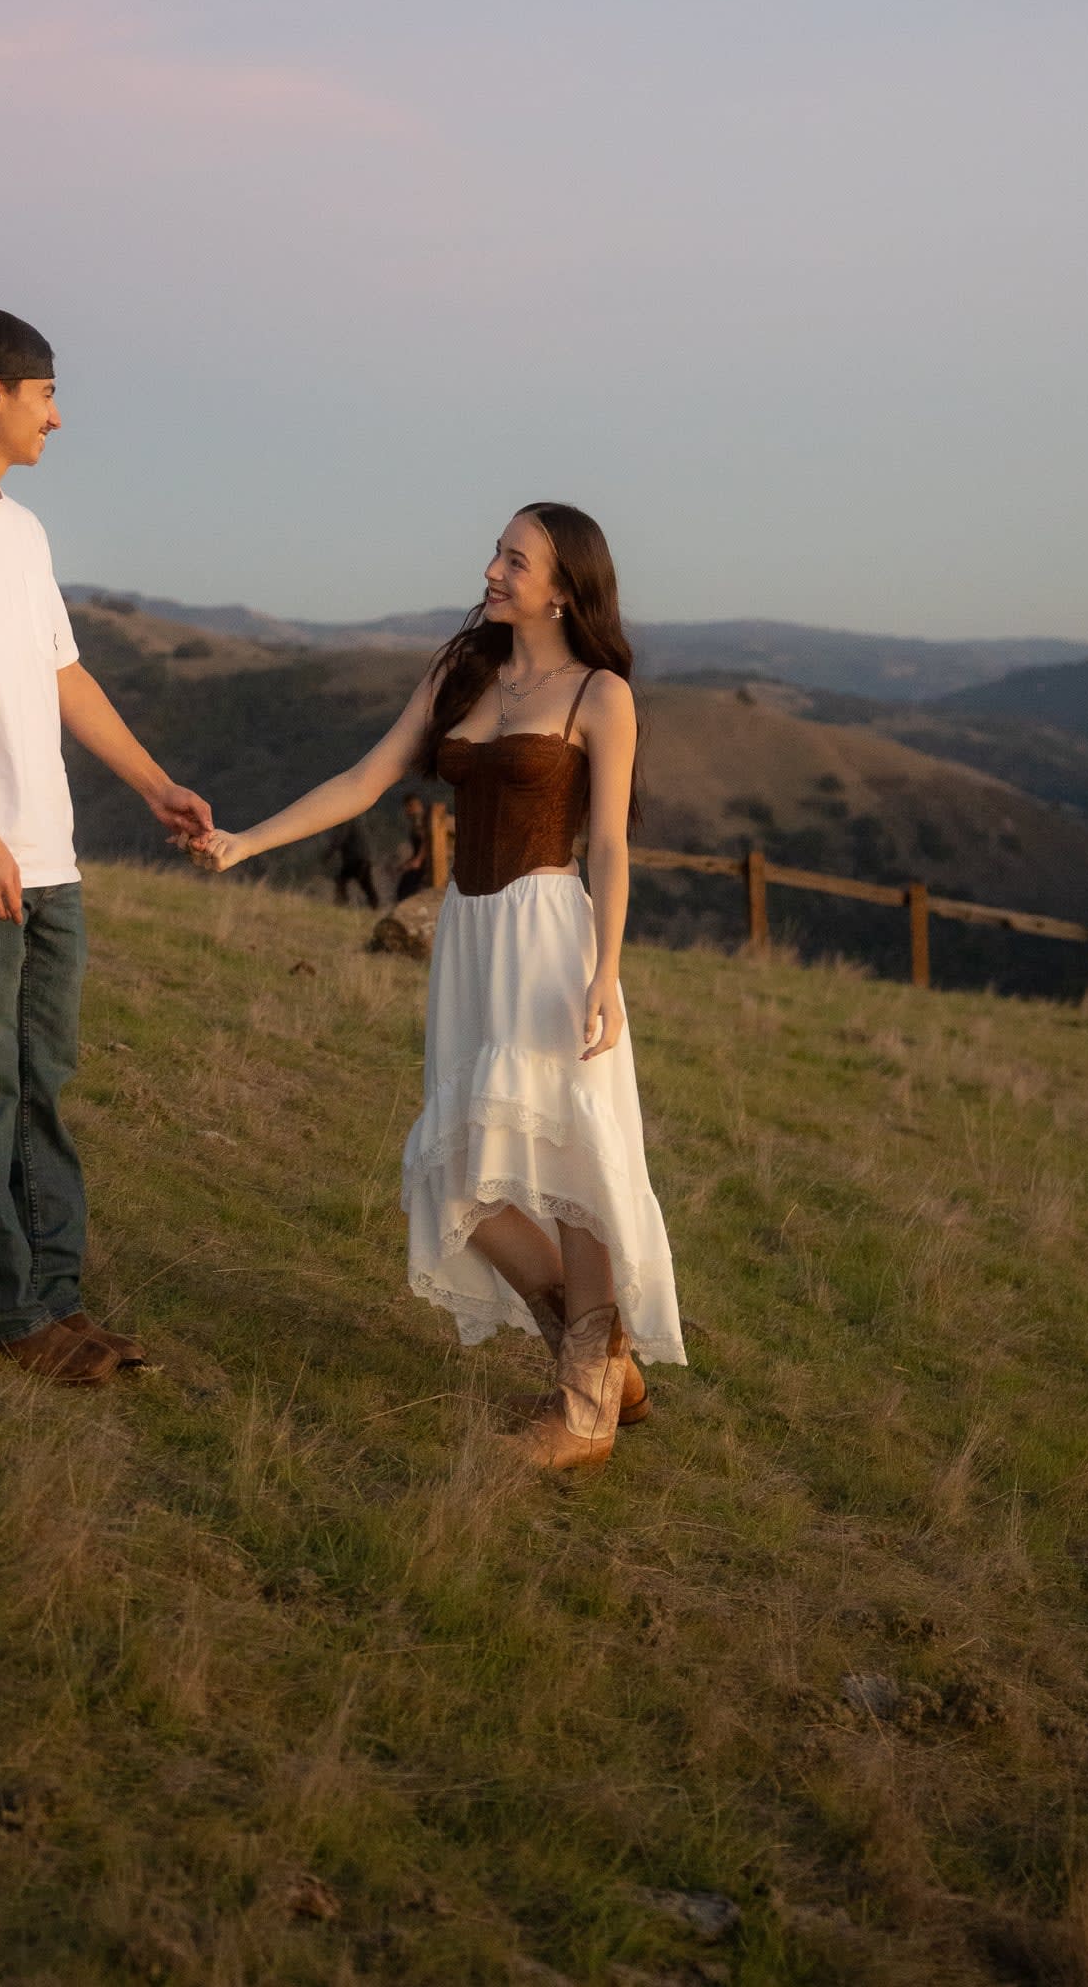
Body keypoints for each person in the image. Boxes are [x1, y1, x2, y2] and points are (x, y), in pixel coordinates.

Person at [194, 503, 685, 1471]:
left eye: (514, 559)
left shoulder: (600, 695)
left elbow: (613, 846)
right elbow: (366, 777)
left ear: (562, 586)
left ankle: (585, 1406)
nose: (491, 570)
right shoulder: (459, 670)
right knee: (458, 1168)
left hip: (550, 937)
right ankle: (602, 1349)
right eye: (497, 554)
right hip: (467, 939)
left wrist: (604, 970)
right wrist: (246, 840)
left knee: (575, 1162)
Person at [0, 307, 213, 1387]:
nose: (59, 416)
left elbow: (64, 676)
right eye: (47, 394)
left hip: (44, 856)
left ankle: (52, 1298)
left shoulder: (16, 529)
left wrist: (155, 785)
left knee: (41, 1081)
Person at [327, 815, 380, 909]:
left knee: (361, 883)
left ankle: (342, 904)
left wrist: (329, 853)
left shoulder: (347, 820)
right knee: (362, 884)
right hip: (360, 859)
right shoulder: (353, 820)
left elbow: (340, 839)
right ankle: (373, 907)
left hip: (357, 860)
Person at [394, 792, 432, 902]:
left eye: (408, 807)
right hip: (422, 863)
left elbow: (426, 840)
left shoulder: (419, 820)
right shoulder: (419, 820)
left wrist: (418, 860)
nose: (406, 810)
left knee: (406, 891)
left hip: (425, 864)